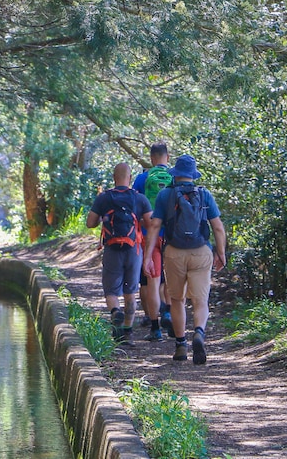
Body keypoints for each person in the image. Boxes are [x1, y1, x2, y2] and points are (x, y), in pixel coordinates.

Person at [143, 154, 226, 364]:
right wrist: (221, 253)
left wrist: (147, 257)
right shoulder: (204, 194)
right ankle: (199, 332)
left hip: (174, 253)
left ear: (176, 174)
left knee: (177, 299)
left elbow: (154, 226)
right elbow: (217, 226)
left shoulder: (164, 195)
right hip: (201, 252)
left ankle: (181, 345)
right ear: (193, 175)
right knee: (200, 301)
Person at [87, 162, 152, 346]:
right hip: (134, 249)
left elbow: (90, 223)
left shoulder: (104, 198)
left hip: (112, 249)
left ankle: (115, 312)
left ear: (114, 178)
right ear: (130, 178)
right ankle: (127, 333)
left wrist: (103, 217)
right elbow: (150, 223)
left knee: (111, 290)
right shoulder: (139, 199)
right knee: (130, 290)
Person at [132, 142, 173, 341]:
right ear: (168, 156)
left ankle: (155, 328)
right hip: (173, 238)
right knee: (173, 280)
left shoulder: (142, 178)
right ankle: (170, 313)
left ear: (151, 158)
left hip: (150, 237)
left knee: (153, 282)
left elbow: (134, 207)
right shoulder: (175, 177)